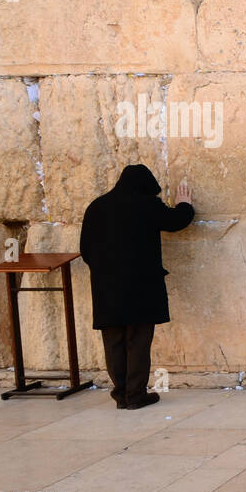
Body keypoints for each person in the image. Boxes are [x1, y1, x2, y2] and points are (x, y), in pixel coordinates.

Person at [78, 164, 194, 410]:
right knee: (138, 341)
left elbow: (85, 250)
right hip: (140, 288)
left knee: (114, 343)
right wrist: (184, 203)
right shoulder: (146, 204)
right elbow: (176, 221)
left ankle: (121, 395)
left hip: (106, 290)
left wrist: (105, 272)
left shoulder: (97, 207)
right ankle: (136, 395)